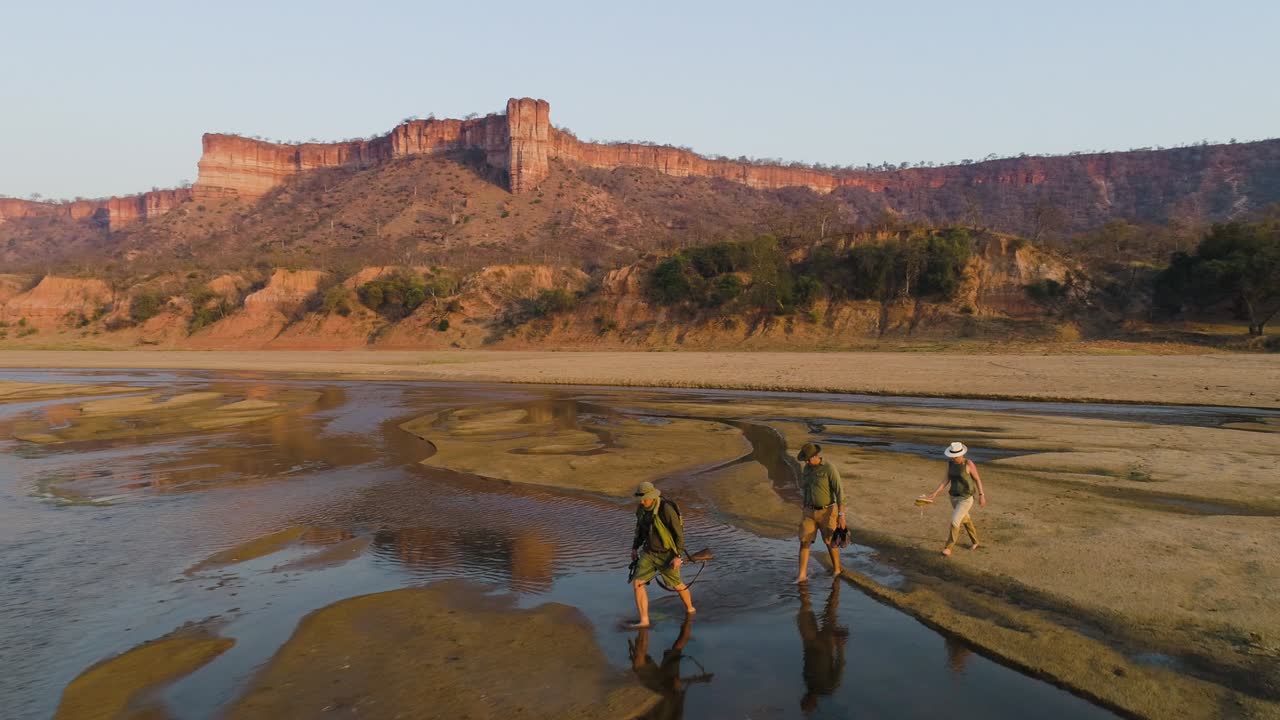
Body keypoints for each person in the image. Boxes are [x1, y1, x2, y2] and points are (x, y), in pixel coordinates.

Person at [630, 481, 695, 627]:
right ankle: (644, 620)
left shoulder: (665, 509)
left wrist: (677, 556)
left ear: (652, 497)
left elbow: (678, 533)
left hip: (667, 554)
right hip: (648, 552)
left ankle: (690, 609)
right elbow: (640, 530)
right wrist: (634, 548)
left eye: (645, 498)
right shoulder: (641, 509)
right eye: (640, 498)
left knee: (677, 585)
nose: (642, 501)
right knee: (638, 583)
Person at [795, 443, 846, 583]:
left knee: (830, 542)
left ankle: (837, 570)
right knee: (804, 541)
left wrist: (841, 516)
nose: (806, 462)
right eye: (804, 459)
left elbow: (840, 492)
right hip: (809, 512)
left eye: (808, 459)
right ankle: (801, 576)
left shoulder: (829, 469)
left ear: (816, 456)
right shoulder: (806, 469)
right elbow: (805, 488)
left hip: (827, 511)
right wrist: (804, 505)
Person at [924, 441, 987, 556]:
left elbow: (977, 479)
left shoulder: (968, 463)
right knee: (965, 519)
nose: (953, 458)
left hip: (966, 498)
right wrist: (935, 493)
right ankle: (975, 542)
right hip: (953, 497)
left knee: (954, 521)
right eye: (952, 456)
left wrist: (981, 495)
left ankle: (948, 547)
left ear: (961, 454)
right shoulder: (950, 464)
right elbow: (945, 480)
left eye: (955, 456)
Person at [797, 580, 848, 713]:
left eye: (803, 702)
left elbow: (806, 659)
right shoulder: (829, 689)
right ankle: (836, 584)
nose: (804, 700)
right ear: (814, 704)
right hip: (826, 645)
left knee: (804, 606)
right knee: (831, 612)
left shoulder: (807, 682)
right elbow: (840, 665)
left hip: (809, 641)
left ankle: (803, 583)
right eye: (807, 704)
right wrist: (840, 646)